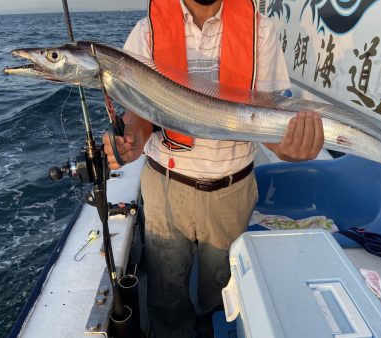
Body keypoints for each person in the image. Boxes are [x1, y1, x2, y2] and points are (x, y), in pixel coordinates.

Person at [103, 0, 324, 337]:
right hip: (166, 188)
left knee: (223, 297)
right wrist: (130, 138)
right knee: (165, 297)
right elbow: (140, 112)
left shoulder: (261, 30)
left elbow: (267, 118)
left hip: (232, 191)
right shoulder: (146, 32)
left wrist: (294, 148)